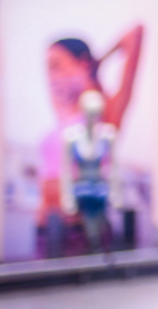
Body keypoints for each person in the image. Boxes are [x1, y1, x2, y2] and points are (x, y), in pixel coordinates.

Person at [39, 26, 143, 256]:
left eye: (57, 67)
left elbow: (135, 33)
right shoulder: (63, 111)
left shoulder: (107, 114)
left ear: (83, 64)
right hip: (47, 226)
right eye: (48, 70)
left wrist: (99, 63)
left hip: (79, 229)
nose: (52, 78)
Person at [61, 90, 119, 255]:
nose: (93, 117)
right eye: (90, 113)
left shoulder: (107, 134)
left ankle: (100, 249)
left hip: (101, 188)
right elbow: (65, 169)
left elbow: (114, 166)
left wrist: (116, 192)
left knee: (104, 222)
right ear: (82, 111)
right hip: (82, 189)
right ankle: (92, 248)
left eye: (97, 113)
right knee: (88, 222)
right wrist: (66, 196)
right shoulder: (71, 136)